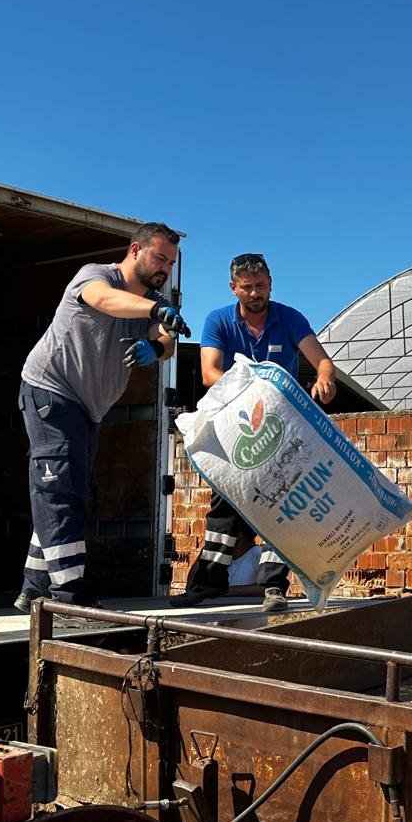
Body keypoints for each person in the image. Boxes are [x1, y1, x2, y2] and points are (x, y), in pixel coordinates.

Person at [16, 222, 186, 611]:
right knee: (58, 488)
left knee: (68, 488)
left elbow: (167, 340)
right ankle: (70, 593)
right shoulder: (96, 276)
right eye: (160, 257)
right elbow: (105, 301)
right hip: (51, 392)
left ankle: (35, 586)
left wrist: (156, 347)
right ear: (135, 250)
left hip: (87, 408)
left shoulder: (151, 298)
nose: (165, 267)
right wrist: (157, 309)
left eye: (171, 262)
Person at [173, 252, 338, 613]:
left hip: (282, 429)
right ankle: (209, 584)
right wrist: (254, 391)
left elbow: (321, 360)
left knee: (285, 504)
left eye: (260, 285)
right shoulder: (218, 321)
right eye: (246, 287)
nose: (254, 293)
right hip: (236, 428)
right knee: (224, 504)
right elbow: (208, 373)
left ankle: (274, 587)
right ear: (234, 288)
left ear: (270, 285)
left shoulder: (289, 318)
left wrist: (325, 376)